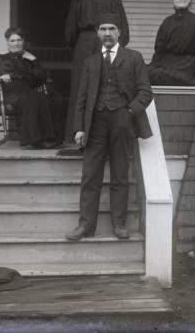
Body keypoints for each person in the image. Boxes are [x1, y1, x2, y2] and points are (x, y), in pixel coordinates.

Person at [65, 13, 153, 241]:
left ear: (119, 32)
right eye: (102, 29)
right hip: (95, 124)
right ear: (97, 33)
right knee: (90, 175)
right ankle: (85, 225)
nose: (107, 33)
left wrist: (129, 112)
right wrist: (79, 128)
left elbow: (145, 92)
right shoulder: (91, 62)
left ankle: (119, 223)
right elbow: (82, 97)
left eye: (111, 29)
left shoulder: (134, 58)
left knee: (120, 174)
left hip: (123, 123)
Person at [64, 0, 129, 143]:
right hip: (84, 43)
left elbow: (122, 24)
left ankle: (102, 136)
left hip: (108, 41)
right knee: (81, 87)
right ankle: (75, 136)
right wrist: (76, 44)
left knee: (106, 84)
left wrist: (118, 45)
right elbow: (70, 27)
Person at [0, 27, 56, 148]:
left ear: (23, 41)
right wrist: (0, 77)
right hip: (10, 94)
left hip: (26, 91)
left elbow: (42, 78)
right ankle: (34, 140)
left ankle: (47, 138)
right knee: (32, 99)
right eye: (12, 40)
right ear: (7, 42)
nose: (16, 43)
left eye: (19, 40)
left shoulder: (28, 59)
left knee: (42, 98)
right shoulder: (0, 59)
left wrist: (34, 60)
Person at [147, 0, 195, 86]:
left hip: (186, 67)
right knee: (141, 72)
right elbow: (159, 51)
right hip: (165, 65)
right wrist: (151, 68)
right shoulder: (167, 22)